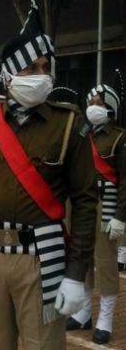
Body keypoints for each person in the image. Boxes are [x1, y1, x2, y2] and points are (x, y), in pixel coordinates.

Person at [0, 0, 98, 349]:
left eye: (44, 66)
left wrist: (76, 273)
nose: (39, 74)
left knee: (45, 345)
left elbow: (85, 202)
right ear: (9, 74)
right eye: (29, 68)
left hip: (44, 258)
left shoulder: (69, 125)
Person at [66, 76, 124, 344]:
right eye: (90, 101)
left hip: (106, 207)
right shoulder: (83, 134)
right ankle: (85, 312)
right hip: (83, 204)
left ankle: (106, 317)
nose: (92, 106)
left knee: (105, 263)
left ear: (110, 106)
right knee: (84, 259)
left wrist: (120, 216)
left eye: (98, 102)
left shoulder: (119, 138)